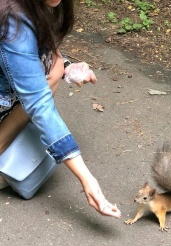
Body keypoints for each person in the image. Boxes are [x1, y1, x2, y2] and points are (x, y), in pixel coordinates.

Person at [0, 0, 121, 218]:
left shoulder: (31, 7)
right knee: (47, 82)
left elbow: (37, 49)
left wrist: (67, 67)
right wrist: (87, 178)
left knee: (55, 69)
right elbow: (38, 103)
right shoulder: (12, 20)